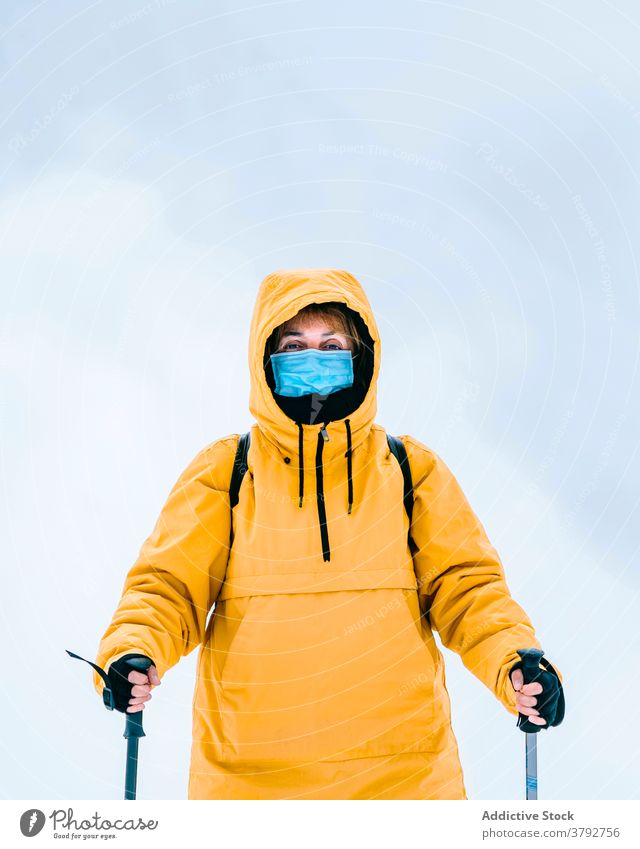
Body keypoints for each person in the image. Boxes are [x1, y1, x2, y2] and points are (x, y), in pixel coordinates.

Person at [93, 268, 563, 800]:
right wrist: (131, 652)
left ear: (359, 358)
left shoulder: (409, 470)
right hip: (250, 785)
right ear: (265, 361)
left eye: (331, 344)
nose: (312, 358)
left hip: (403, 782)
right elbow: (167, 588)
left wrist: (515, 662)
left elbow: (468, 591)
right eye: (294, 345)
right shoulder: (226, 471)